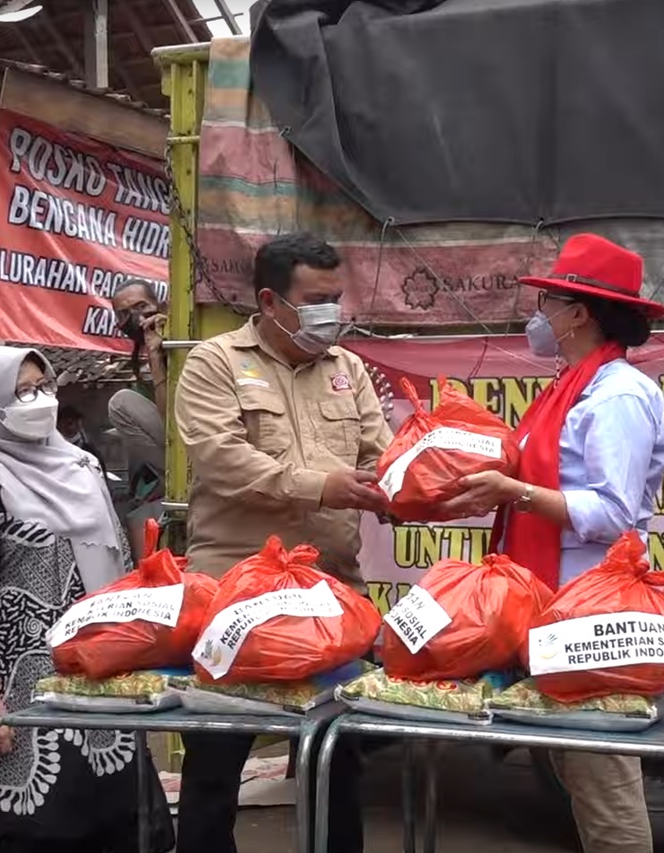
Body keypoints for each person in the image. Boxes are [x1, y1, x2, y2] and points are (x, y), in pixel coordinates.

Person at [438, 234, 664, 853]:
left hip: (589, 610)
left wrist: (515, 493)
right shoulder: (571, 386)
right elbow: (541, 483)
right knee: (576, 765)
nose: (537, 317)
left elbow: (614, 512)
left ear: (580, 314)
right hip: (551, 603)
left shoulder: (616, 395)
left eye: (548, 303)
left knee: (602, 774)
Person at [173, 232, 392, 853]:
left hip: (331, 591)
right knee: (218, 752)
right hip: (239, 595)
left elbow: (381, 455)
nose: (332, 313)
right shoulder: (214, 363)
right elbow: (221, 461)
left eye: (337, 298)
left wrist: (418, 485)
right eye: (317, 300)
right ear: (271, 302)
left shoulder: (346, 369)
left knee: (336, 753)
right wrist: (321, 486)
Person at [0, 346, 174, 852]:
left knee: (118, 825)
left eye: (43, 387)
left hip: (103, 679)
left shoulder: (81, 467)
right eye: (20, 392)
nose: (38, 401)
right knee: (40, 833)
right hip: (25, 696)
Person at [109, 278, 168, 486]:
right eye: (124, 314)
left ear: (159, 306)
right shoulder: (150, 352)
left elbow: (171, 416)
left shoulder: (177, 337)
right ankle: (175, 478)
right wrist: (154, 356)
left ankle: (178, 479)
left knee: (120, 404)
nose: (134, 317)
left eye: (141, 306)